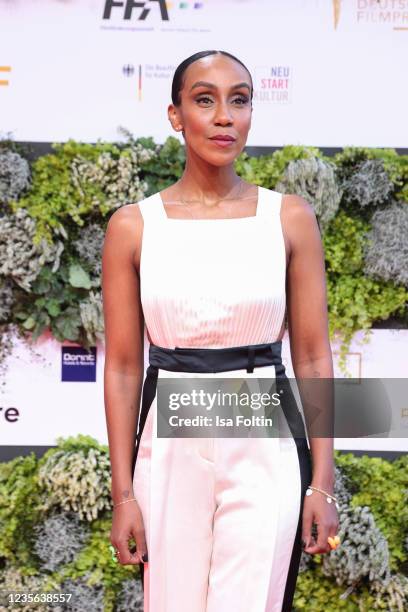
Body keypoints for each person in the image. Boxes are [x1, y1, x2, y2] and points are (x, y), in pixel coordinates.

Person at [102, 49, 340, 612]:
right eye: (204, 100)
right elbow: (121, 366)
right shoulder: (134, 226)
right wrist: (123, 495)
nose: (224, 116)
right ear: (175, 115)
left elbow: (311, 358)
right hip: (170, 434)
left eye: (239, 100)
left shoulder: (289, 218)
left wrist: (323, 482)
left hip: (264, 432)